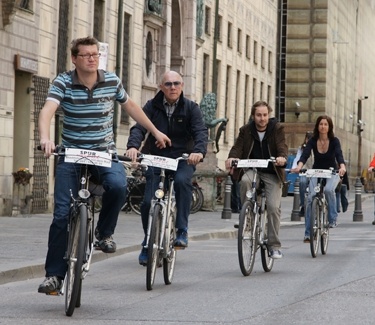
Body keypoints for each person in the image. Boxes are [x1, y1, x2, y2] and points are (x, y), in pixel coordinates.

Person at [37, 36, 171, 294]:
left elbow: (131, 106)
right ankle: (54, 276)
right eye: (86, 55)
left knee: (119, 186)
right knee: (62, 214)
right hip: (72, 153)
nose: (91, 58)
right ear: (74, 59)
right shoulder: (63, 81)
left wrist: (154, 131)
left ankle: (104, 234)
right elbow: (47, 110)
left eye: (95, 54)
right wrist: (45, 138)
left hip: (103, 152)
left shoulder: (111, 80)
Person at [126, 70, 208, 266]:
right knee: (147, 203)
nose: (173, 87)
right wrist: (133, 146)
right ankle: (147, 242)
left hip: (182, 159)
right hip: (156, 158)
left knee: (182, 182)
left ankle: (181, 230)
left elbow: (200, 131)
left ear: (182, 86)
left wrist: (198, 152)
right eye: (168, 84)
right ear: (161, 87)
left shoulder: (191, 108)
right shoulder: (151, 106)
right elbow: (139, 127)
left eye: (177, 83)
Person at [225, 100, 288, 259]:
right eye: (259, 115)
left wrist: (281, 158)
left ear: (269, 115)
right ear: (253, 116)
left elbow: (282, 146)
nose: (262, 118)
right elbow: (237, 147)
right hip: (252, 169)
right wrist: (231, 158)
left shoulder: (277, 129)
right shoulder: (246, 130)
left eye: (265, 115)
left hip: (272, 171)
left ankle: (274, 245)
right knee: (245, 181)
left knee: (273, 207)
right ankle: (247, 217)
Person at [291, 115, 346, 243]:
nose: (323, 126)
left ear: (329, 127)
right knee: (310, 198)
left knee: (328, 190)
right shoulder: (312, 140)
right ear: (317, 126)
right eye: (321, 124)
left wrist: (342, 167)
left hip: (331, 171)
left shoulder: (334, 141)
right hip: (316, 171)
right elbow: (305, 155)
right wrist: (299, 166)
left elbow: (339, 154)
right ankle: (308, 234)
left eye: (326, 124)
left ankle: (332, 219)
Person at [291, 131, 313, 217]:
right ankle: (303, 205)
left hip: (314, 172)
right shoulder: (302, 148)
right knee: (302, 182)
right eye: (308, 139)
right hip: (304, 171)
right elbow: (298, 159)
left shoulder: (317, 147)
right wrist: (294, 168)